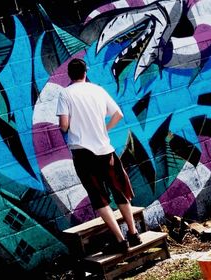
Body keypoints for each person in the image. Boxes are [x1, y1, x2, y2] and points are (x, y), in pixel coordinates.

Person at [56, 58, 142, 253]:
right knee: (118, 190)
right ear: (85, 72)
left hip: (83, 153)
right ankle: (133, 232)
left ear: (69, 75)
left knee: (99, 197)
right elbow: (118, 114)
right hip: (106, 151)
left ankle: (120, 241)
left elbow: (64, 125)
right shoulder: (98, 90)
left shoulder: (65, 94)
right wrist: (104, 129)